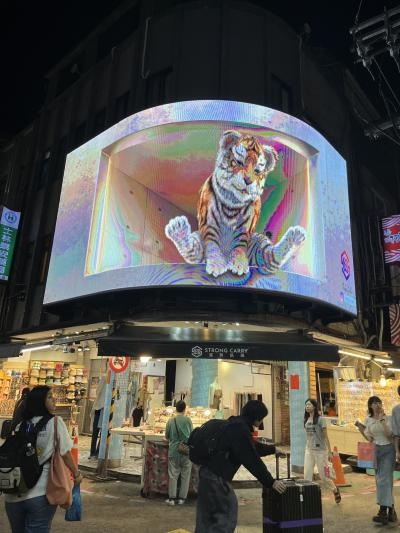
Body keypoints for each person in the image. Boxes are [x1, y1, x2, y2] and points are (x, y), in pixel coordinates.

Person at [195, 399, 286, 533]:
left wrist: (273, 449)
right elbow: (251, 459)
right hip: (217, 479)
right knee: (226, 514)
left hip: (206, 475)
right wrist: (270, 482)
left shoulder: (234, 424)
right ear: (256, 418)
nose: (261, 422)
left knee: (206, 518)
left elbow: (251, 447)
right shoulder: (240, 429)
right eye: (261, 418)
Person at [3, 385, 83, 533]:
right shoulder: (55, 423)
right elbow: (65, 453)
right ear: (40, 401)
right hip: (40, 494)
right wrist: (76, 474)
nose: (54, 400)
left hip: (13, 495)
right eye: (50, 397)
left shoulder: (21, 424)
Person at [357, 395, 396, 524]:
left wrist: (381, 420)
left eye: (379, 402)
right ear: (370, 406)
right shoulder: (368, 420)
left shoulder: (388, 418)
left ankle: (383, 512)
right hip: (376, 450)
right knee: (380, 481)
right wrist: (360, 428)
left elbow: (389, 434)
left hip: (388, 449)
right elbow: (369, 438)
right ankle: (391, 511)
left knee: (385, 480)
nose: (377, 405)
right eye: (374, 403)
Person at [303, 398, 341, 504]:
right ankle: (308, 497)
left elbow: (325, 436)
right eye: (306, 405)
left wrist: (329, 451)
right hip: (309, 450)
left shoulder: (321, 419)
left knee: (324, 476)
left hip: (321, 451)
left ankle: (334, 489)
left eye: (309, 405)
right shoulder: (306, 419)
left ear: (314, 406)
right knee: (307, 474)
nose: (307, 407)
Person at [165, 400, 193, 505]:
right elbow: (192, 435)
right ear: (185, 409)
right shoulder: (188, 420)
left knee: (173, 475)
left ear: (175, 409)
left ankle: (172, 499)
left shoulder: (171, 421)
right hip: (186, 450)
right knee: (185, 475)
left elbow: (167, 436)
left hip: (174, 451)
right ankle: (182, 499)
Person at [89, 375, 106, 459]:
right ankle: (97, 452)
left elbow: (98, 391)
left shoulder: (104, 377)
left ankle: (93, 453)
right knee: (103, 433)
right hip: (104, 409)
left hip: (99, 408)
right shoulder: (107, 378)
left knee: (95, 433)